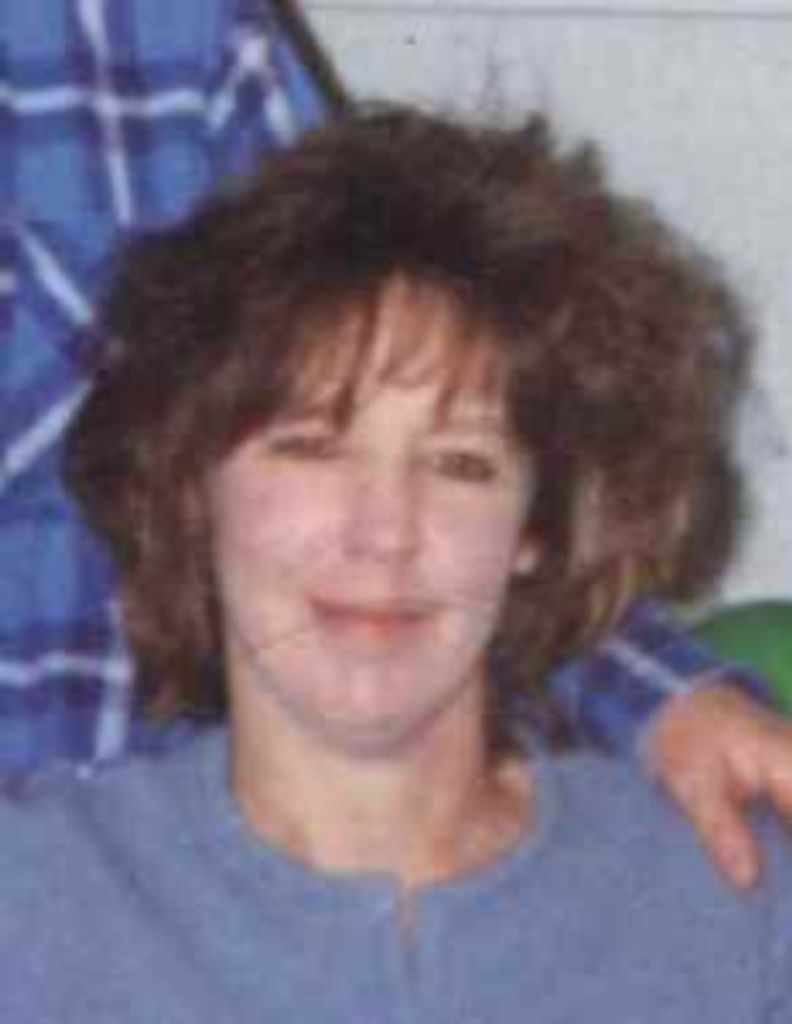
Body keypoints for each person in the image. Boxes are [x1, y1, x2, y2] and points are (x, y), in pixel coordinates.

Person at [1, 105, 789, 1022]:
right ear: (190, 487)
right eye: (309, 447)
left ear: (538, 524)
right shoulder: (36, 905)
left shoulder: (732, 899)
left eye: (460, 464)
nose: (385, 532)